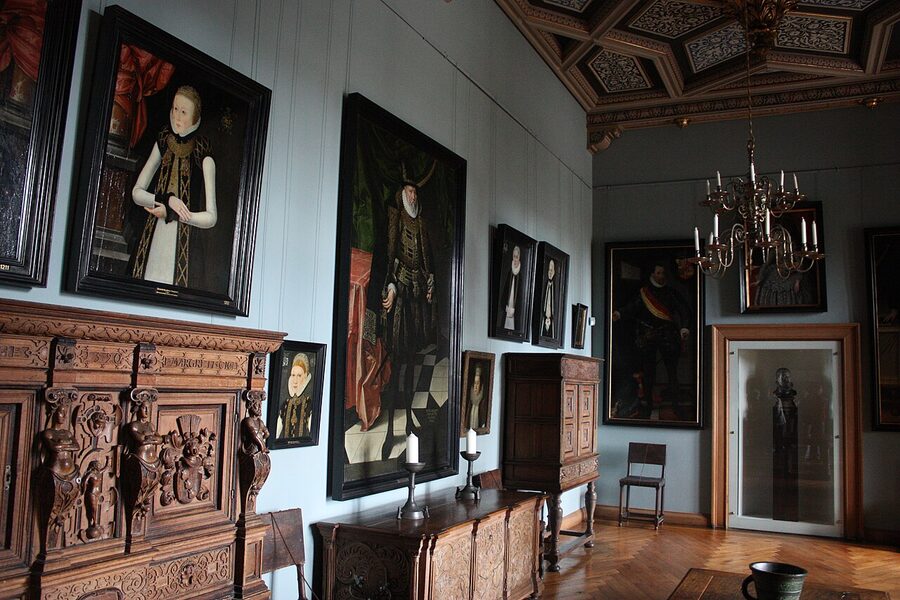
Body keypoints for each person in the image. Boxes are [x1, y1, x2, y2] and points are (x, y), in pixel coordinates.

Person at [130, 85, 217, 288]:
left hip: (186, 245)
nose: (177, 116)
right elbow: (137, 193)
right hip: (152, 238)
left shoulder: (202, 152)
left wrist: (174, 214)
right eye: (175, 109)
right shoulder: (163, 141)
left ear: (195, 117)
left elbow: (211, 218)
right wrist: (167, 200)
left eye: (184, 112)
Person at [381, 164, 436, 444]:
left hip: (415, 297)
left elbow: (427, 261)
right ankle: (391, 427)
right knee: (396, 360)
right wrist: (390, 286)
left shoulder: (421, 223)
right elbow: (388, 256)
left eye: (415, 192)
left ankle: (408, 420)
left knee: (413, 360)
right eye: (409, 191)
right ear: (402, 192)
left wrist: (429, 283)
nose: (413, 197)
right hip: (399, 293)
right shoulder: (395, 217)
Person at [612, 262, 690, 418]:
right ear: (652, 274)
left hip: (667, 335)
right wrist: (619, 313)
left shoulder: (671, 293)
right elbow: (632, 307)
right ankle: (647, 407)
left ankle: (676, 406)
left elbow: (684, 310)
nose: (662, 276)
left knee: (672, 373)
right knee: (648, 374)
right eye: (659, 273)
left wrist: (684, 327)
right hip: (648, 336)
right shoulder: (644, 293)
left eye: (663, 273)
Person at [277, 353, 312, 439]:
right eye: (293, 375)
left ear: (305, 376)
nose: (295, 380)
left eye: (299, 376)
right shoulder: (285, 404)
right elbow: (275, 434)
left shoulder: (309, 404)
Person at [499, 245, 522, 331]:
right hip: (507, 310)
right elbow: (505, 291)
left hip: (514, 314)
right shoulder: (510, 272)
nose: (515, 259)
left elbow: (520, 298)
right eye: (514, 257)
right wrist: (505, 307)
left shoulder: (520, 276)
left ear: (519, 257)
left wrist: (515, 310)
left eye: (517, 257)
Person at [540, 258, 557, 338]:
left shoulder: (555, 287)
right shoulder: (544, 285)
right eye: (549, 270)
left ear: (554, 272)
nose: (550, 272)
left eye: (552, 270)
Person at [467, 364, 485, 430]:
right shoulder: (470, 401)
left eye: (477, 383)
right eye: (474, 383)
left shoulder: (483, 403)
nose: (475, 386)